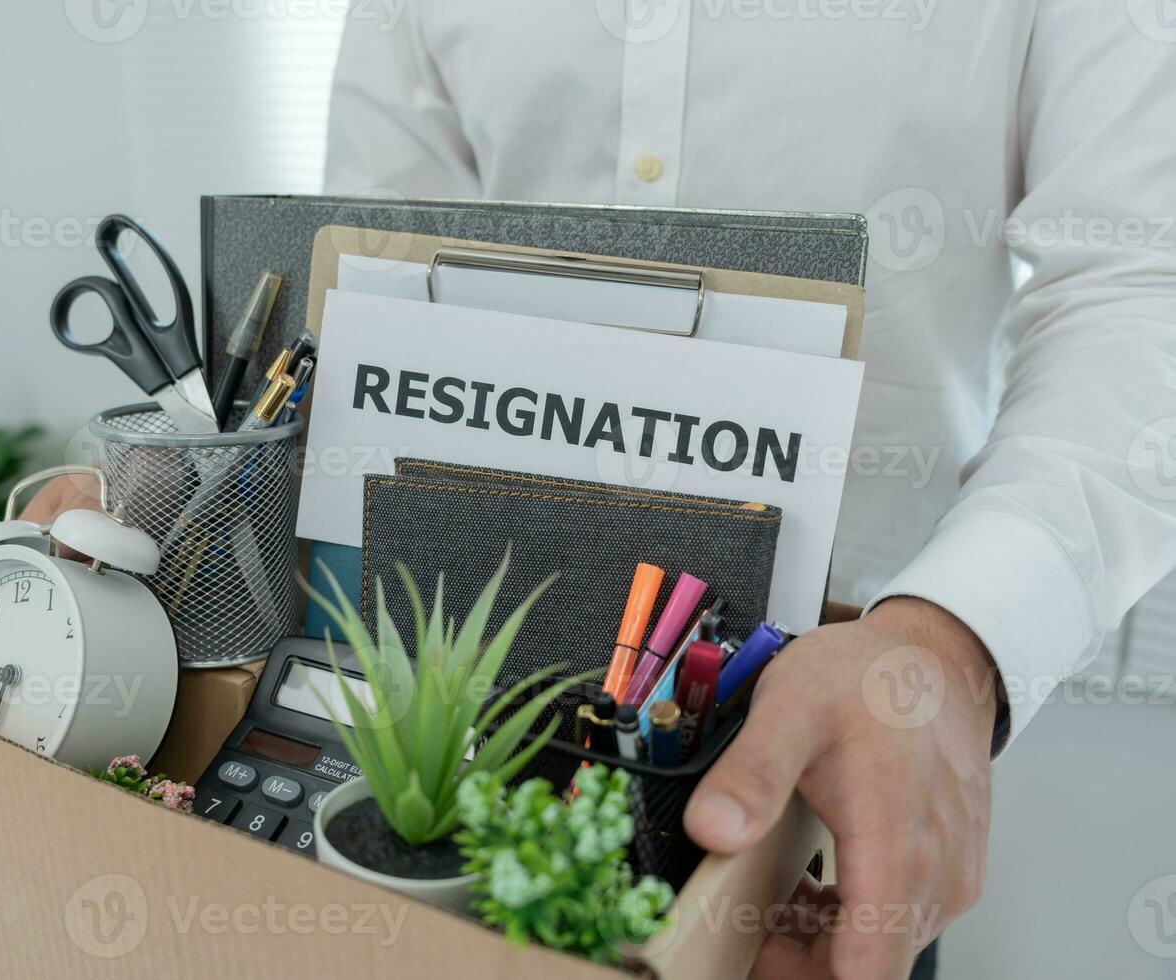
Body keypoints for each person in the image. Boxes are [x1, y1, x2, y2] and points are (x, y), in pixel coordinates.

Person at [317, 4, 1176, 979]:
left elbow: (1144, 281)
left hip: (843, 774)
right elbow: (382, 258)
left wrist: (949, 642)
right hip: (461, 721)